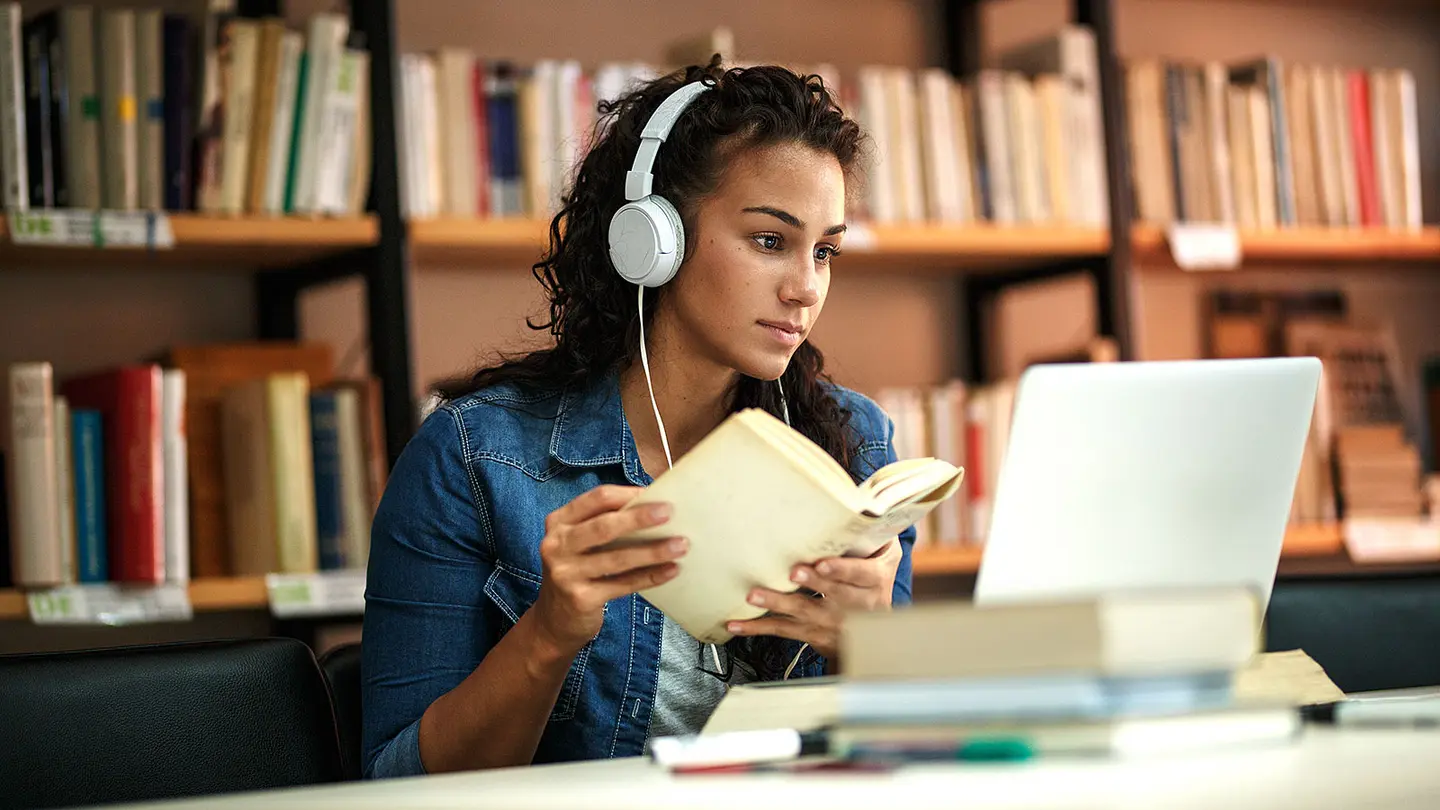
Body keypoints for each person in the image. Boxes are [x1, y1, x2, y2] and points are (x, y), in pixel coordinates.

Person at [360, 57, 917, 779]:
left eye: (825, 250)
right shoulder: (472, 458)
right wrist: (550, 633)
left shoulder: (854, 445)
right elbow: (397, 783)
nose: (806, 288)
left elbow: (899, 764)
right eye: (770, 241)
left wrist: (871, 649)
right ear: (655, 240)